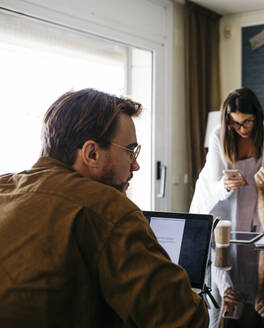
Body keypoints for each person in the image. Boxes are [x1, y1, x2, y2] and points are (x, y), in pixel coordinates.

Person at [0, 89, 208, 327]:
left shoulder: (5, 188)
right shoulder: (107, 208)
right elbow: (185, 320)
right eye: (131, 151)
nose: (136, 165)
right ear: (92, 153)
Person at [190, 87, 264, 232]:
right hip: (216, 202)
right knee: (220, 250)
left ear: (257, 116)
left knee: (250, 248)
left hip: (251, 201)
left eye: (247, 121)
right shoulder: (217, 135)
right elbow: (214, 186)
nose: (242, 129)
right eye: (236, 123)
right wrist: (226, 185)